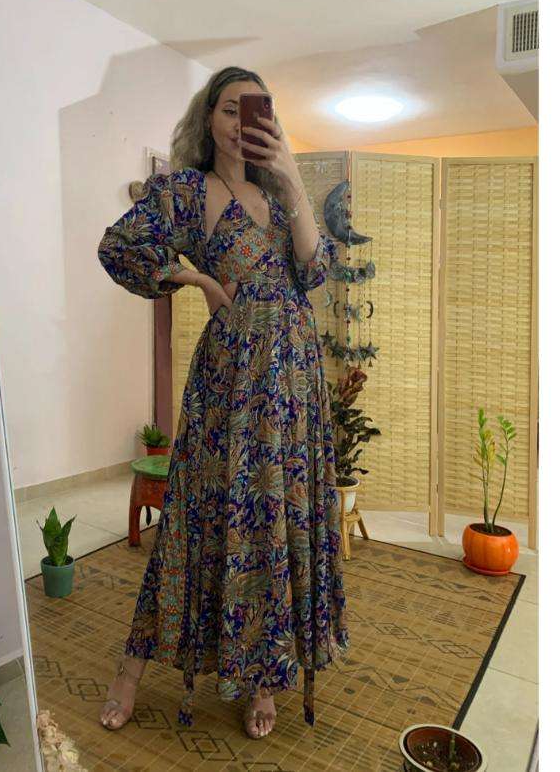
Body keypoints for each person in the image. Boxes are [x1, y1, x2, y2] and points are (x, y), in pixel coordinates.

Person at [96, 66, 349, 739]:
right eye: (230, 108)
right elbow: (119, 247)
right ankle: (130, 669)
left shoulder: (281, 195)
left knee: (274, 521)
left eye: (254, 109)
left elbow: (315, 271)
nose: (241, 122)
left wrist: (292, 177)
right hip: (229, 382)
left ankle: (262, 678)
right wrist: (199, 278)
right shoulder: (186, 191)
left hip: (293, 383)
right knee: (197, 517)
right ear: (207, 118)